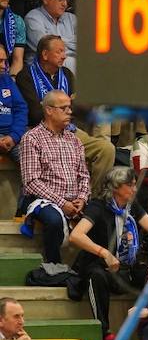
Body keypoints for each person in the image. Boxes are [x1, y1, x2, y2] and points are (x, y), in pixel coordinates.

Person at [68, 167, 148, 340]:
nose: (135, 190)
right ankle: (104, 332)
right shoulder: (98, 206)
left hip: (128, 267)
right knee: (95, 275)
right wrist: (104, 252)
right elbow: (76, 235)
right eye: (130, 185)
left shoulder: (132, 205)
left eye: (135, 185)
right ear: (116, 187)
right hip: (103, 266)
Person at [15, 36, 113, 187]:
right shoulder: (26, 76)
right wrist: (67, 106)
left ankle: (91, 199)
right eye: (59, 51)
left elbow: (77, 108)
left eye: (64, 51)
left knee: (106, 149)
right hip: (41, 133)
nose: (64, 56)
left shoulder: (66, 74)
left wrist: (57, 108)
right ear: (45, 54)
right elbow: (34, 113)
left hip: (69, 131)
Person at [18, 89, 89, 266]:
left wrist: (82, 197)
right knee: (54, 220)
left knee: (100, 214)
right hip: (41, 199)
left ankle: (86, 269)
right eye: (64, 108)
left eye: (70, 108)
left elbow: (84, 175)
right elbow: (32, 182)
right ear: (49, 110)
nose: (70, 112)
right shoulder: (31, 138)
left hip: (74, 200)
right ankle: (53, 266)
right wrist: (62, 203)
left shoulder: (75, 141)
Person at [23, 0, 75, 71]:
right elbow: (48, 49)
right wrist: (70, 42)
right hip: (41, 70)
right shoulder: (33, 18)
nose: (65, 4)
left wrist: (56, 42)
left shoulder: (71, 18)